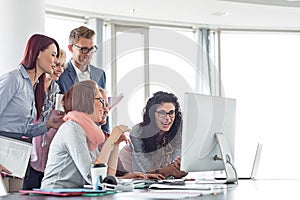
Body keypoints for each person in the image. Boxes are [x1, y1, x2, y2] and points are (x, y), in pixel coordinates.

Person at [0, 34, 64, 192]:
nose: (56, 61)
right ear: (37, 53)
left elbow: (22, 129)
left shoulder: (33, 88)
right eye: (53, 54)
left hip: (17, 157)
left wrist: (47, 125)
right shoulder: (13, 79)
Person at [41, 80, 129, 189]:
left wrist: (115, 144)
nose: (105, 108)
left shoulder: (89, 130)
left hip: (75, 194)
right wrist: (110, 140)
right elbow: (93, 178)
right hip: (56, 195)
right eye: (101, 100)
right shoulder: (73, 128)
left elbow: (106, 179)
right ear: (87, 101)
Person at [23, 49, 67, 190]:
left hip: (49, 155)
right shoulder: (31, 88)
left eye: (63, 66)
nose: (60, 70)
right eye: (57, 65)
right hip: (31, 154)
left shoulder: (57, 90)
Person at [98, 88, 164, 180]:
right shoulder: (91, 137)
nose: (106, 110)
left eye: (107, 105)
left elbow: (114, 176)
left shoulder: (105, 136)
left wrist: (135, 176)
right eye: (102, 104)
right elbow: (98, 179)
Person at [119, 91, 187, 179]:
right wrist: (169, 170)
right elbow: (145, 169)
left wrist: (179, 167)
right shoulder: (137, 132)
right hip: (132, 172)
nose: (167, 118)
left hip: (159, 179)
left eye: (171, 113)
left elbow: (175, 165)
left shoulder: (179, 131)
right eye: (162, 113)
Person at [56, 25, 109, 133]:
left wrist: (106, 135)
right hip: (71, 133)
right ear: (71, 48)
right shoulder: (60, 74)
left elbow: (104, 107)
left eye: (91, 49)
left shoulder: (100, 74)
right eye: (84, 49)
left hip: (95, 135)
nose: (88, 53)